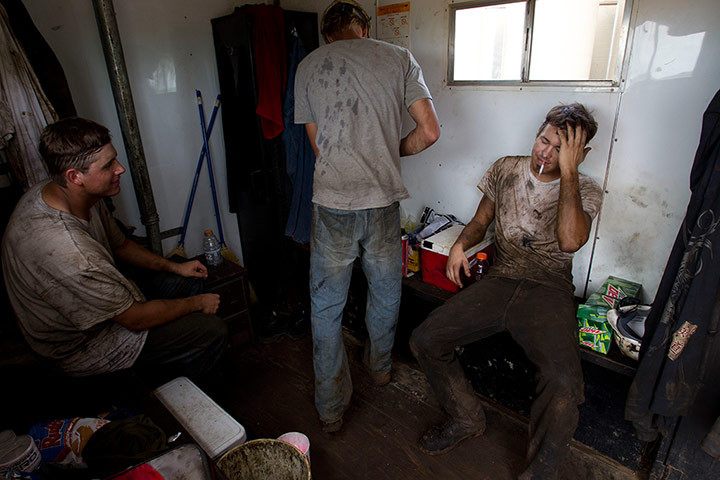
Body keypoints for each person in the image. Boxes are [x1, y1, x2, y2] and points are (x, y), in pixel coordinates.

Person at [410, 104, 603, 479]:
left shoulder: (585, 189)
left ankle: (541, 473)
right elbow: (482, 221)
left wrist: (569, 174)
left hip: (548, 289)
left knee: (564, 383)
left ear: (578, 155)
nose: (545, 153)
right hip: (501, 278)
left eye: (559, 149)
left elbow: (569, 241)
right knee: (425, 339)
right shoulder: (506, 168)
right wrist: (458, 246)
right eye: (543, 140)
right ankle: (466, 418)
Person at [294, 0, 441, 433]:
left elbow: (318, 144)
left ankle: (330, 409)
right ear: (365, 27)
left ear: (327, 34)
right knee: (385, 290)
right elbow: (430, 131)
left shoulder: (308, 66)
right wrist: (384, 152)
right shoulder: (398, 58)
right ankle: (379, 369)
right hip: (381, 203)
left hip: (332, 205)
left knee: (325, 309)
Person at [1, 117, 228, 383]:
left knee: (189, 280)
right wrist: (197, 304)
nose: (120, 169)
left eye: (115, 160)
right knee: (213, 330)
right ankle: (173, 401)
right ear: (75, 177)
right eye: (108, 166)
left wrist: (176, 266)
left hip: (110, 307)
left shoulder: (74, 195)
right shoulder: (69, 252)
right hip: (84, 347)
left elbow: (120, 245)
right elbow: (135, 319)